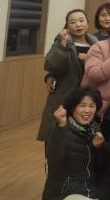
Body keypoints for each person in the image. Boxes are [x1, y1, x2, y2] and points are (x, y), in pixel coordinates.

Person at [42, 86, 106, 200]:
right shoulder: (62, 128)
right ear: (73, 108)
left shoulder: (94, 129)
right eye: (82, 105)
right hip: (61, 195)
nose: (87, 110)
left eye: (92, 106)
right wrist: (61, 127)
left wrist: (99, 147)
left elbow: (102, 165)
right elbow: (53, 157)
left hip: (87, 192)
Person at [38, 9, 98, 143]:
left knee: (82, 142)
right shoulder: (62, 42)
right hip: (64, 98)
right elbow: (51, 65)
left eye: (81, 20)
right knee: (58, 140)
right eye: (73, 22)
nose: (78, 24)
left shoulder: (95, 44)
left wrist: (89, 60)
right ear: (67, 26)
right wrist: (63, 44)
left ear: (87, 23)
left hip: (87, 100)